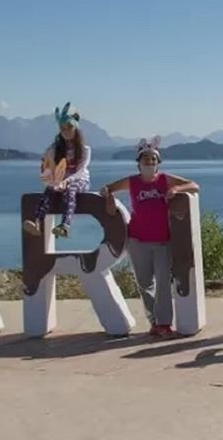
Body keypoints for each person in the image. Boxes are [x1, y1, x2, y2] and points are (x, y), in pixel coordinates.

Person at [100, 136, 200, 336]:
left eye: (153, 159)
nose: (150, 162)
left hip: (162, 240)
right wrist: (109, 198)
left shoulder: (164, 179)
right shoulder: (132, 182)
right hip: (137, 240)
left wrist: (176, 189)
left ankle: (164, 323)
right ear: (139, 163)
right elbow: (106, 188)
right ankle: (154, 321)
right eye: (146, 159)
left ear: (158, 163)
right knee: (144, 283)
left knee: (163, 283)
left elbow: (194, 185)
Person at [24, 103, 91, 239]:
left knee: (70, 190)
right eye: (62, 128)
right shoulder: (56, 148)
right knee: (49, 191)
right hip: (60, 181)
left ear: (76, 128)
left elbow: (80, 171)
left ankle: (65, 225)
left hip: (80, 181)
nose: (66, 131)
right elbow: (47, 164)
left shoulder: (85, 150)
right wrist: (50, 178)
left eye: (69, 127)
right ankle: (37, 222)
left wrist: (67, 181)